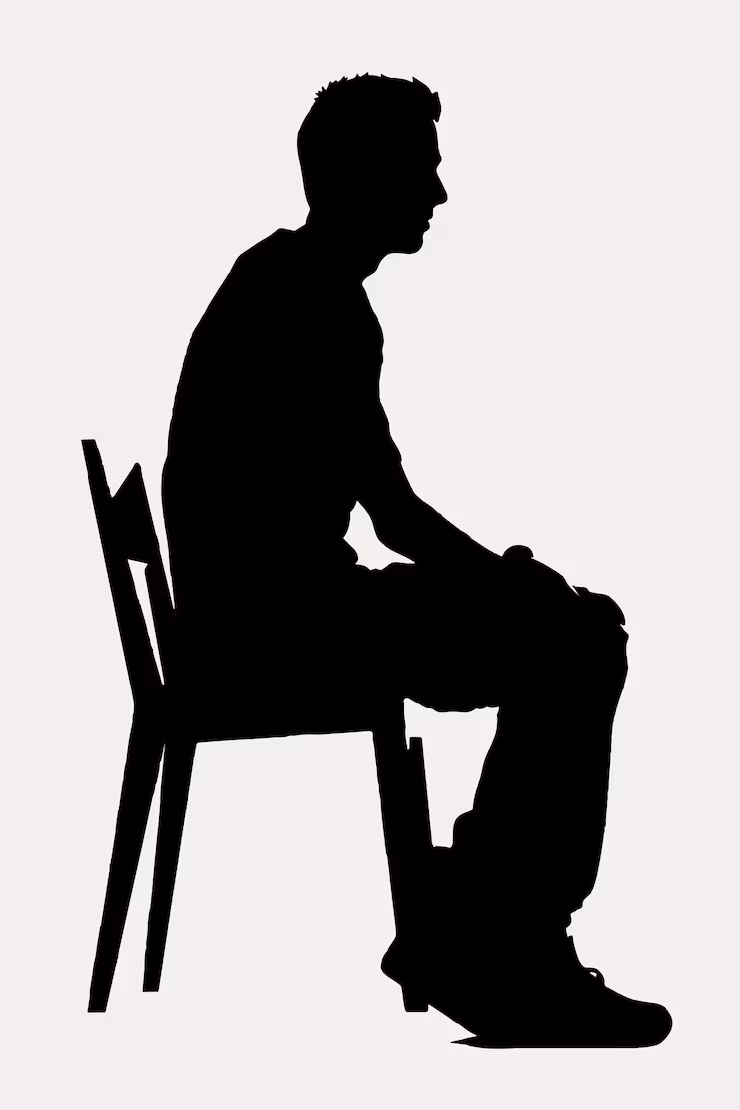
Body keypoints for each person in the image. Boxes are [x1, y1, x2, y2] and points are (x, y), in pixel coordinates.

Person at [162, 74, 671, 1047]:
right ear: (362, 176)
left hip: (283, 608)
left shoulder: (289, 282)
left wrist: (504, 582)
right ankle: (503, 944)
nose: (438, 192)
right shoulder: (312, 304)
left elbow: (385, 514)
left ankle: (478, 921)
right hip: (280, 628)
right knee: (575, 643)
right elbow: (395, 517)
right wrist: (511, 583)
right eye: (421, 169)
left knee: (571, 627)